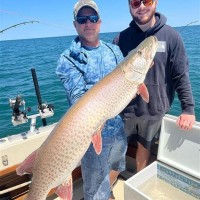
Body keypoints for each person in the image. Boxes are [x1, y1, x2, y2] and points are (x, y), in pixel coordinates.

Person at [113, 0, 196, 172]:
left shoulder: (172, 37)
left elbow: (181, 75)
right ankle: (106, 194)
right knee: (115, 152)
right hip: (123, 110)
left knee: (144, 148)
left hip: (154, 110)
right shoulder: (120, 39)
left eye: (147, 1)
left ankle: (137, 187)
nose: (142, 6)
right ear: (129, 6)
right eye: (135, 3)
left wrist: (188, 109)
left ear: (155, 3)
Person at [56, 0, 127, 199]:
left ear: (100, 22)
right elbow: (78, 98)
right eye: (82, 19)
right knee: (94, 190)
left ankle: (107, 191)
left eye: (93, 18)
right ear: (75, 24)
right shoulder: (68, 58)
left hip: (118, 129)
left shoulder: (114, 51)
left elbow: (126, 80)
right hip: (91, 136)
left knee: (117, 166)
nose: (88, 23)